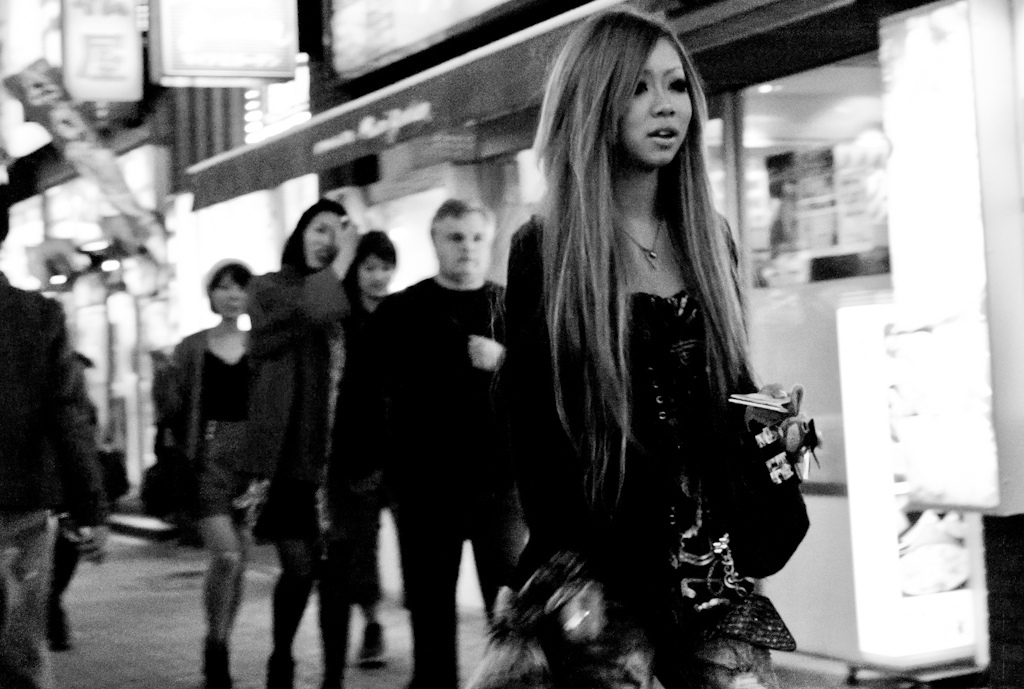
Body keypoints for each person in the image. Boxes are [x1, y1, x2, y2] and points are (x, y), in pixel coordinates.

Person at [499, 8, 813, 689]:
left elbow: (731, 388)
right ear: (595, 103)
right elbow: (534, 430)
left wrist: (774, 426)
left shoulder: (709, 235)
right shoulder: (547, 248)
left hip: (714, 566)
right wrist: (563, 568)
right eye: (638, 88)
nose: (665, 105)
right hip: (604, 567)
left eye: (675, 86)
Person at [365, 199, 527, 689]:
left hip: (498, 485)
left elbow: (546, 386)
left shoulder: (512, 307)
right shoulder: (401, 311)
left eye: (477, 238)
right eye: (456, 237)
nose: (468, 248)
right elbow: (372, 390)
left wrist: (504, 362)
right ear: (435, 241)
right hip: (425, 488)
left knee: (508, 616)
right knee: (431, 615)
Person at [247, 198, 358, 689]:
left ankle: (333, 677)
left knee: (336, 578)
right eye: (319, 228)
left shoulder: (348, 294)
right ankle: (281, 660)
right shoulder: (269, 288)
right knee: (298, 569)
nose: (328, 240)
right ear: (299, 234)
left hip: (340, 460)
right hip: (290, 459)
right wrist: (343, 262)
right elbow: (311, 309)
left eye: (337, 231)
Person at [0, 262, 109, 688]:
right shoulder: (37, 314)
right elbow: (67, 414)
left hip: (22, 503)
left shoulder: (40, 315)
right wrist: (91, 509)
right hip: (21, 503)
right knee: (23, 648)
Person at [165, 259, 263, 689]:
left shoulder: (261, 345)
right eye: (223, 287)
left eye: (240, 287)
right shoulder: (192, 347)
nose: (232, 294)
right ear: (210, 294)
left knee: (239, 561)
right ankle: (215, 643)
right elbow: (173, 408)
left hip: (252, 463)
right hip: (207, 458)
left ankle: (221, 642)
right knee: (225, 557)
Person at [326, 230, 398, 668]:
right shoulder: (343, 319)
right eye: (370, 267)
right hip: (358, 449)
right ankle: (372, 623)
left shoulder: (402, 312)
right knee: (362, 544)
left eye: (386, 267)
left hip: (403, 448)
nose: (378, 276)